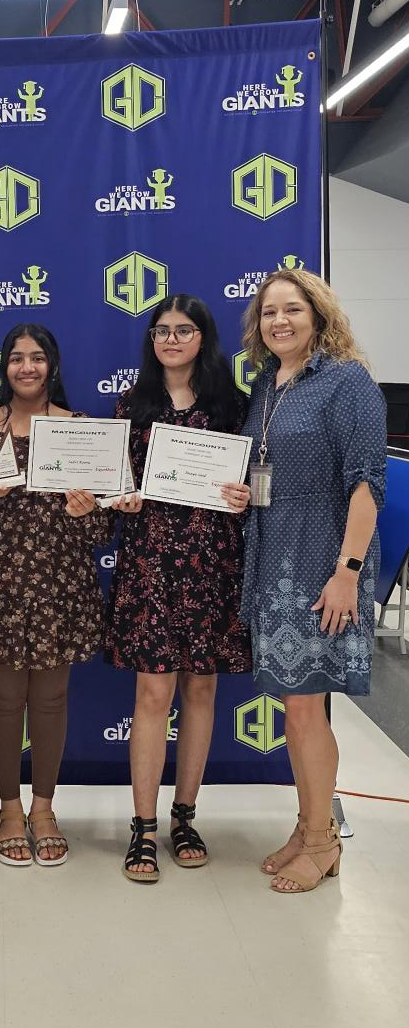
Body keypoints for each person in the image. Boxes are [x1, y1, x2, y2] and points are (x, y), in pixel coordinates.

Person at [239, 269, 385, 894]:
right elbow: (269, 469)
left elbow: (366, 484)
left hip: (323, 561)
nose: (280, 321)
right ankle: (307, 826)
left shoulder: (346, 382)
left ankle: (324, 843)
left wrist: (347, 574)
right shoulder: (266, 387)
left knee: (305, 709)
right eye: (269, 312)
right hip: (274, 559)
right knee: (295, 707)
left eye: (293, 310)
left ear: (319, 316)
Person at [102, 295, 252, 883]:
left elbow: (255, 485)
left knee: (202, 691)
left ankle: (184, 816)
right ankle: (142, 827)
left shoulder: (234, 407)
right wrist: (124, 497)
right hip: (150, 565)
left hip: (213, 564)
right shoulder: (130, 406)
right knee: (151, 695)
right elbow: (115, 485)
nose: (171, 339)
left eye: (183, 330)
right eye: (161, 330)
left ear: (203, 337)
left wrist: (245, 497)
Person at [0, 324, 113, 868]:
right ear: (4, 367)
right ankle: (9, 808)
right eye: (17, 358)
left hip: (60, 586)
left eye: (37, 358)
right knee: (3, 699)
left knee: (50, 700)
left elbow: (104, 531)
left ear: (53, 366)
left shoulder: (82, 430)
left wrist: (86, 512)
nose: (27, 367)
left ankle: (44, 808)